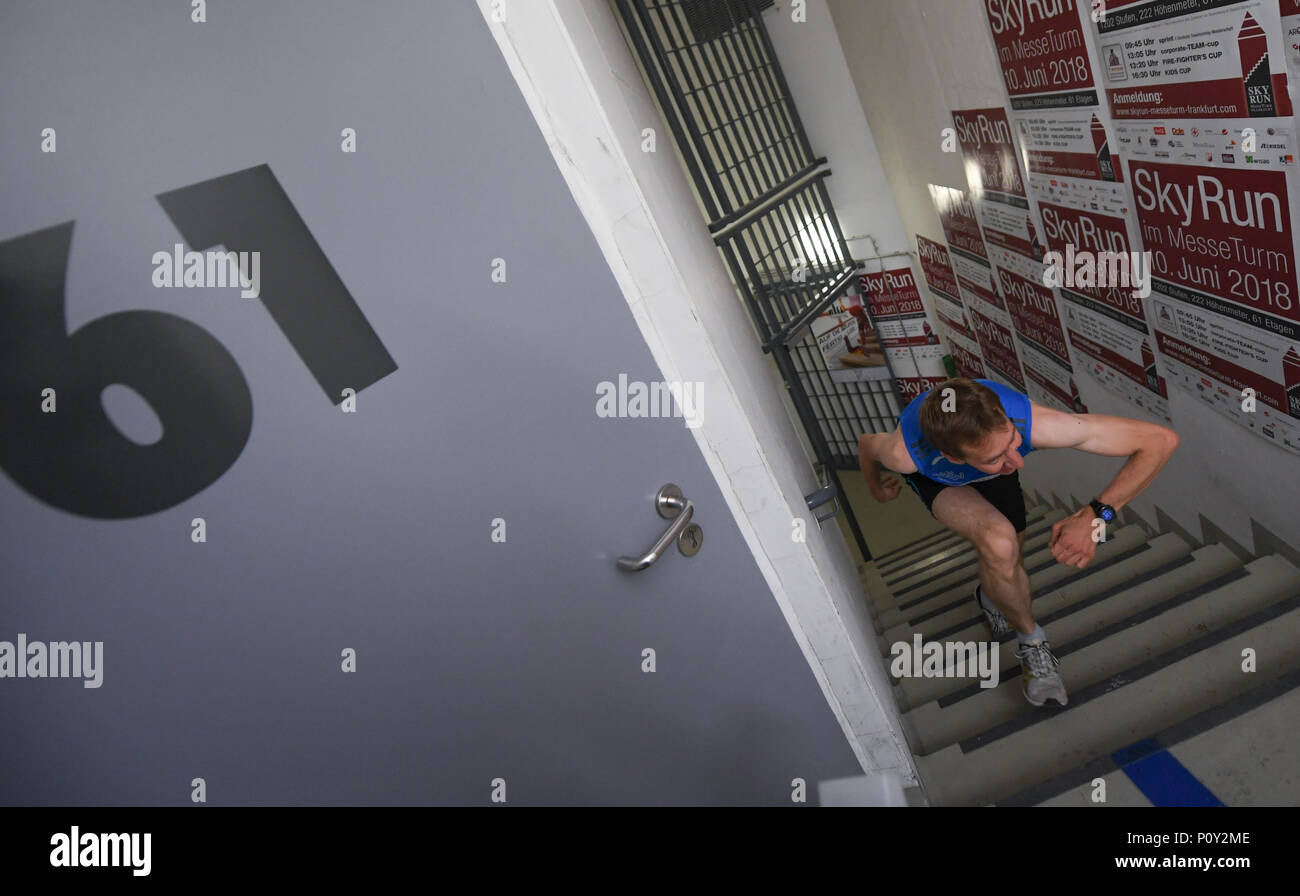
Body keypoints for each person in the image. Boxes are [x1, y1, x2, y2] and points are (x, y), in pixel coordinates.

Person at [857, 377, 1179, 707]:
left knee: (1010, 558)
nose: (1019, 460)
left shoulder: (1038, 426)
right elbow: (867, 444)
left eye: (1014, 440)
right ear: (953, 457)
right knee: (999, 542)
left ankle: (989, 595)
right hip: (937, 480)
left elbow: (1160, 441)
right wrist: (877, 489)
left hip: (992, 475)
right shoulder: (905, 455)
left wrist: (1096, 516)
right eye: (998, 454)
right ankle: (1032, 641)